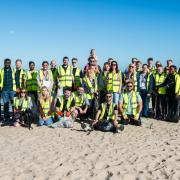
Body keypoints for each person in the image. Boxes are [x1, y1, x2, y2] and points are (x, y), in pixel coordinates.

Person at [0, 59, 16, 123]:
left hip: (12, 89)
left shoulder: (13, 70)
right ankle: (7, 117)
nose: (7, 64)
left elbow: (17, 79)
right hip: (4, 90)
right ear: (4, 63)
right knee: (5, 104)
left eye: (8, 63)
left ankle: (14, 117)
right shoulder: (1, 70)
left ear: (10, 63)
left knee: (13, 104)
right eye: (6, 63)